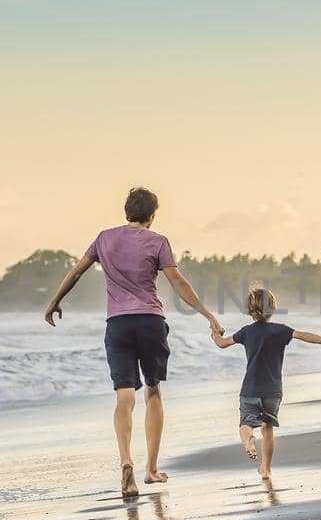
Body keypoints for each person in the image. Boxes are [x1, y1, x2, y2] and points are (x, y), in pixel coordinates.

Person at [44, 187, 223, 497]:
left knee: (124, 398)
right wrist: (208, 315)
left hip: (118, 324)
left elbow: (75, 273)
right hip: (150, 322)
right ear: (152, 215)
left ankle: (126, 461)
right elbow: (178, 282)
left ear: (126, 210)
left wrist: (54, 301)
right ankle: (151, 470)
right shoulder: (158, 242)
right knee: (153, 391)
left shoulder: (104, 239)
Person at [210, 284, 321, 480]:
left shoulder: (246, 332)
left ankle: (248, 440)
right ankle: (265, 469)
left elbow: (222, 344)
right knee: (267, 430)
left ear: (250, 310)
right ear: (272, 308)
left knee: (245, 423)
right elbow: (304, 335)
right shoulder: (280, 331)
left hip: (250, 388)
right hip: (272, 391)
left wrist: (214, 333)